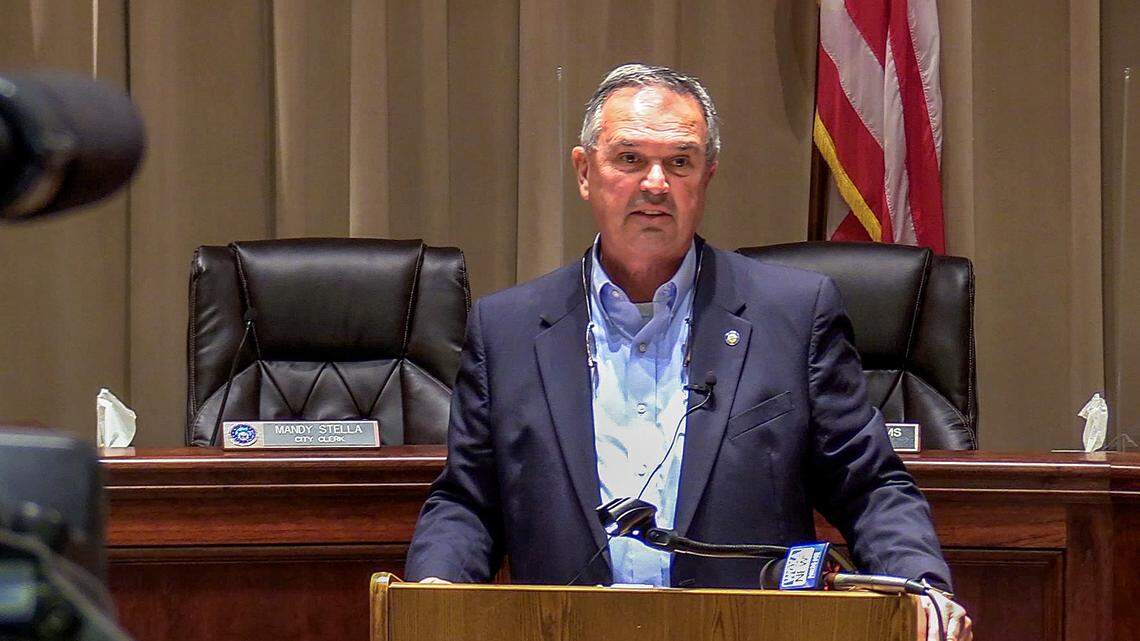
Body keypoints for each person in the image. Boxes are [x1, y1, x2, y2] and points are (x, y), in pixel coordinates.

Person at [405, 63, 972, 640]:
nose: (656, 183)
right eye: (630, 158)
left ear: (707, 176)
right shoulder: (508, 330)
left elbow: (869, 484)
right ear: (584, 172)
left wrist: (921, 588)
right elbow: (468, 501)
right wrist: (432, 594)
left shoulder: (794, 315)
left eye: (680, 162)